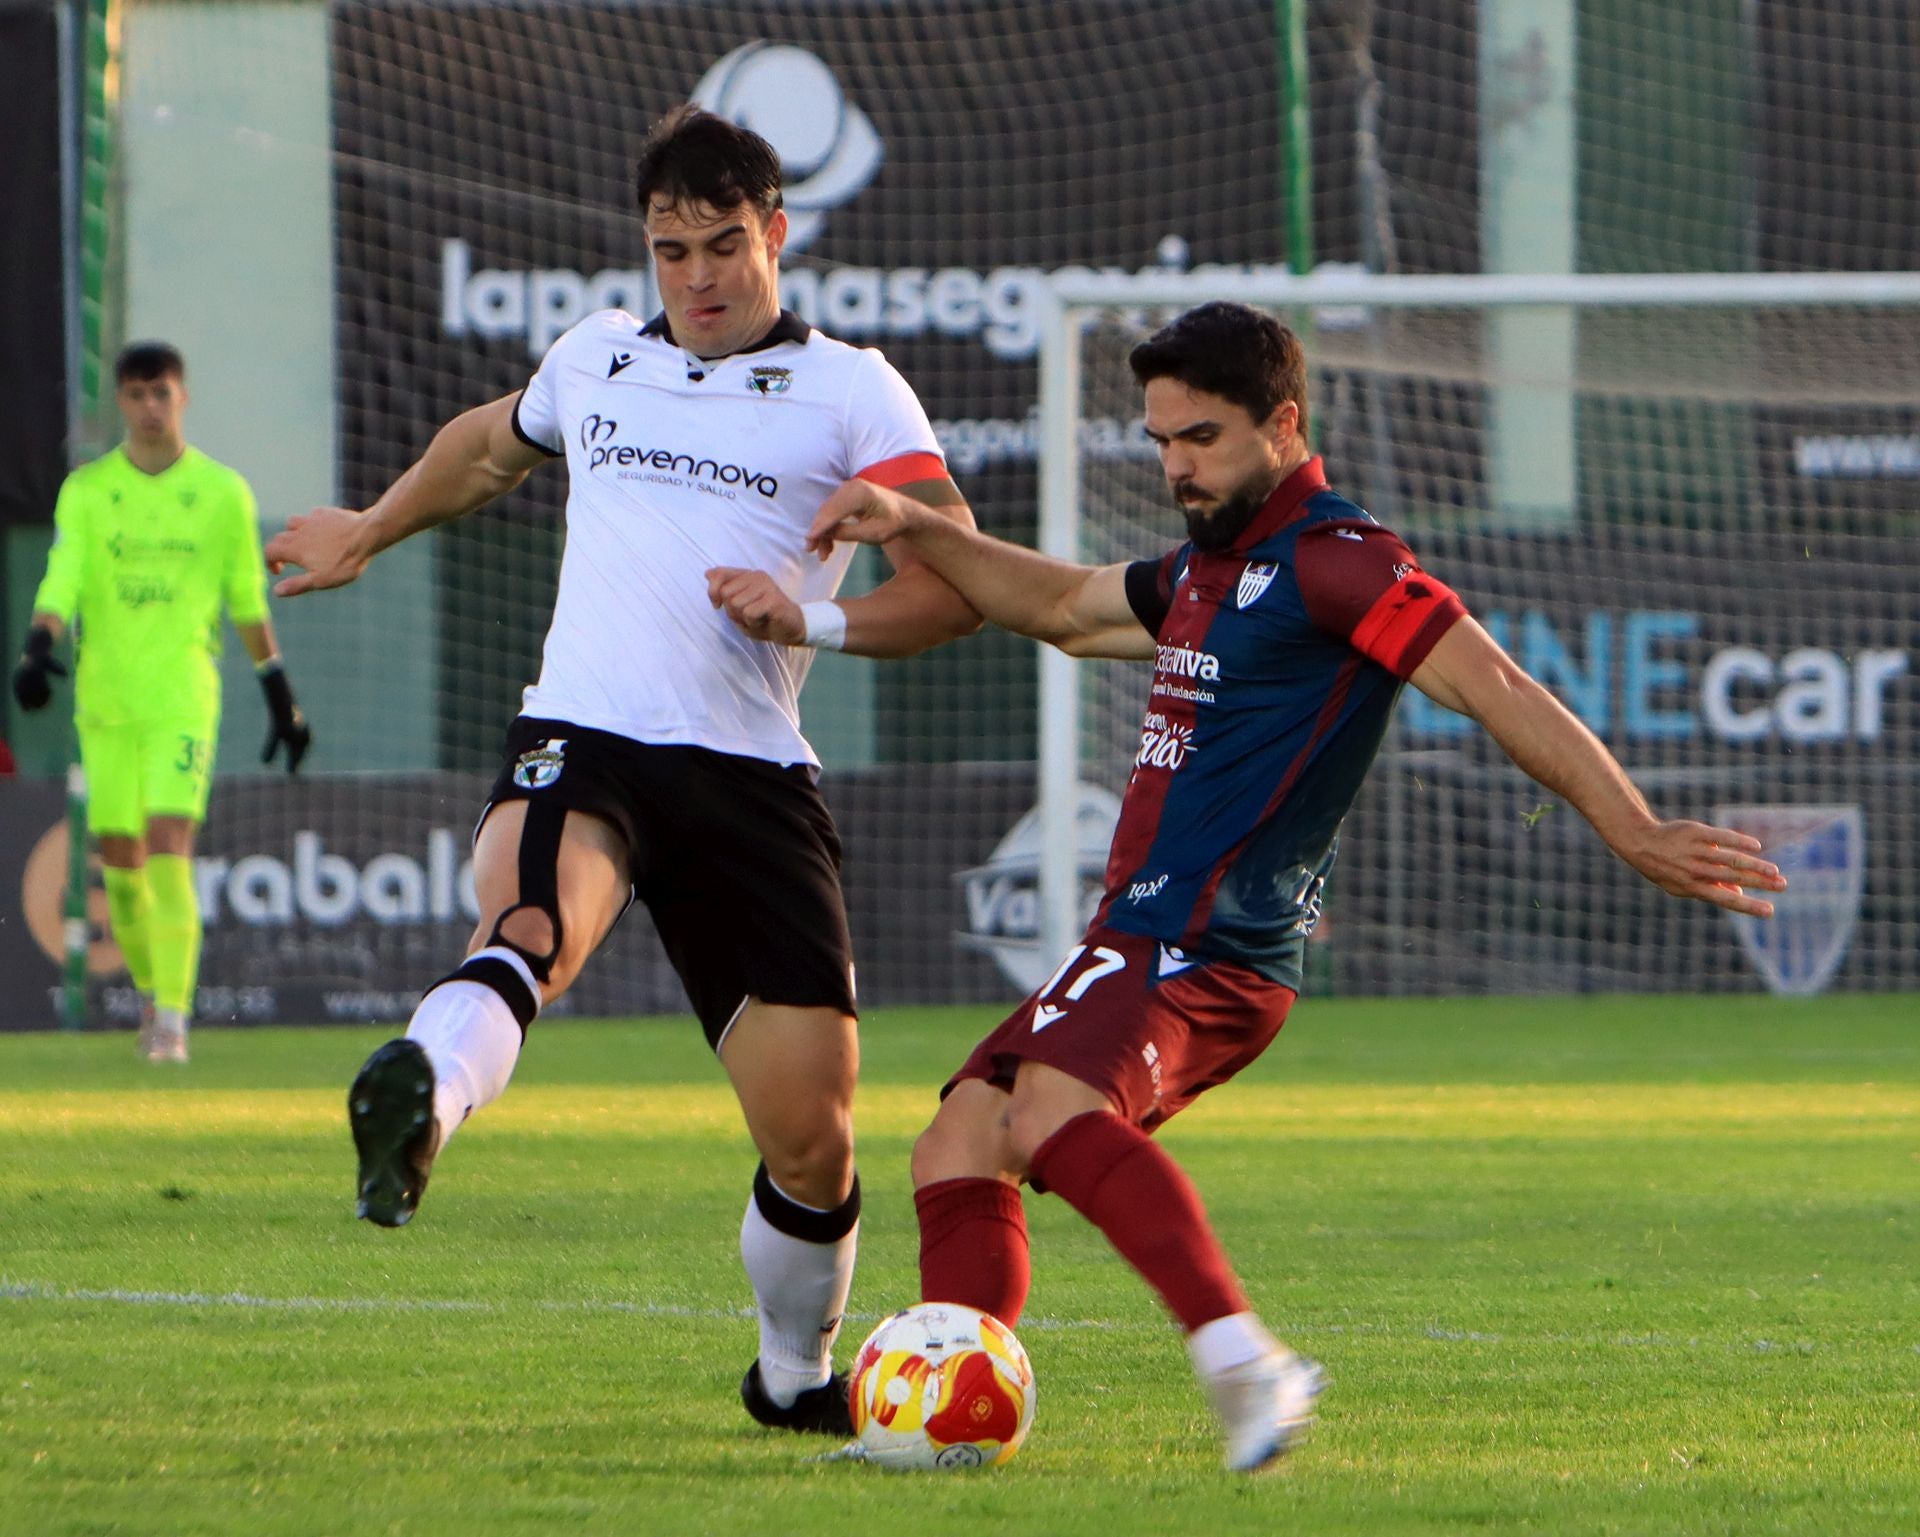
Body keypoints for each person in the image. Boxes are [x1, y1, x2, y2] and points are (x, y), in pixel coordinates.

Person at [770, 301, 1786, 1472]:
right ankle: (950, 1415)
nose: (1175, 466)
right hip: (1144, 933)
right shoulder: (1209, 565)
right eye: (1159, 441)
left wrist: (1637, 827)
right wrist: (910, 521)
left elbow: (1497, 684)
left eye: (1199, 437)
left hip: (1212, 941)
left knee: (1049, 1110)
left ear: (1284, 423)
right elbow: (1053, 605)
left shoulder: (1341, 561)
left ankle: (1251, 1362)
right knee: (958, 1142)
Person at [263, 107, 979, 1436]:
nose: (698, 277)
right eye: (670, 251)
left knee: (815, 1142)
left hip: (752, 778)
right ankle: (420, 1100)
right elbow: (486, 448)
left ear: (776, 233)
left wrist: (808, 617)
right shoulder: (594, 357)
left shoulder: (854, 389)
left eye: (722, 245)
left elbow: (954, 585)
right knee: (531, 926)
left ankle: (793, 1379)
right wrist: (369, 526)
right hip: (585, 739)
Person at [12, 341, 312, 1063]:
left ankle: (173, 1020)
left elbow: (246, 594)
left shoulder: (221, 493)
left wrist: (278, 689)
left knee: (169, 843)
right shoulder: (88, 491)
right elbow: (65, 574)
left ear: (184, 397)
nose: (151, 408)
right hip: (106, 702)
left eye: (163, 393)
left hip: (182, 697)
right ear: (121, 400)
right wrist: (38, 644)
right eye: (138, 394)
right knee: (120, 861)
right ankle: (154, 995)